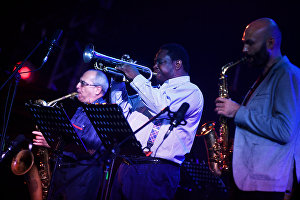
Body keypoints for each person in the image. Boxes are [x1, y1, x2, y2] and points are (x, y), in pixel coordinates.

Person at [215, 18, 300, 200]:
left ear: (270, 43)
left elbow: (285, 131)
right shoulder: (267, 76)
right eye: (244, 43)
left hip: (266, 186)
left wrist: (238, 112)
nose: (244, 50)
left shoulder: (287, 74)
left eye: (250, 43)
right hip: (252, 181)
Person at [108, 43, 204, 200]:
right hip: (127, 164)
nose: (154, 66)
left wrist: (136, 76)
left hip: (157, 169)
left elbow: (161, 108)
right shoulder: (153, 91)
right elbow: (122, 113)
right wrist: (118, 83)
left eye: (160, 61)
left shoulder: (191, 91)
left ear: (177, 64)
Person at [32, 69, 109, 200]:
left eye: (83, 83)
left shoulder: (103, 114)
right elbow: (69, 138)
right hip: (65, 170)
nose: (77, 86)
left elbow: (88, 149)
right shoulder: (81, 109)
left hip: (82, 176)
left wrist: (53, 143)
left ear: (97, 89)